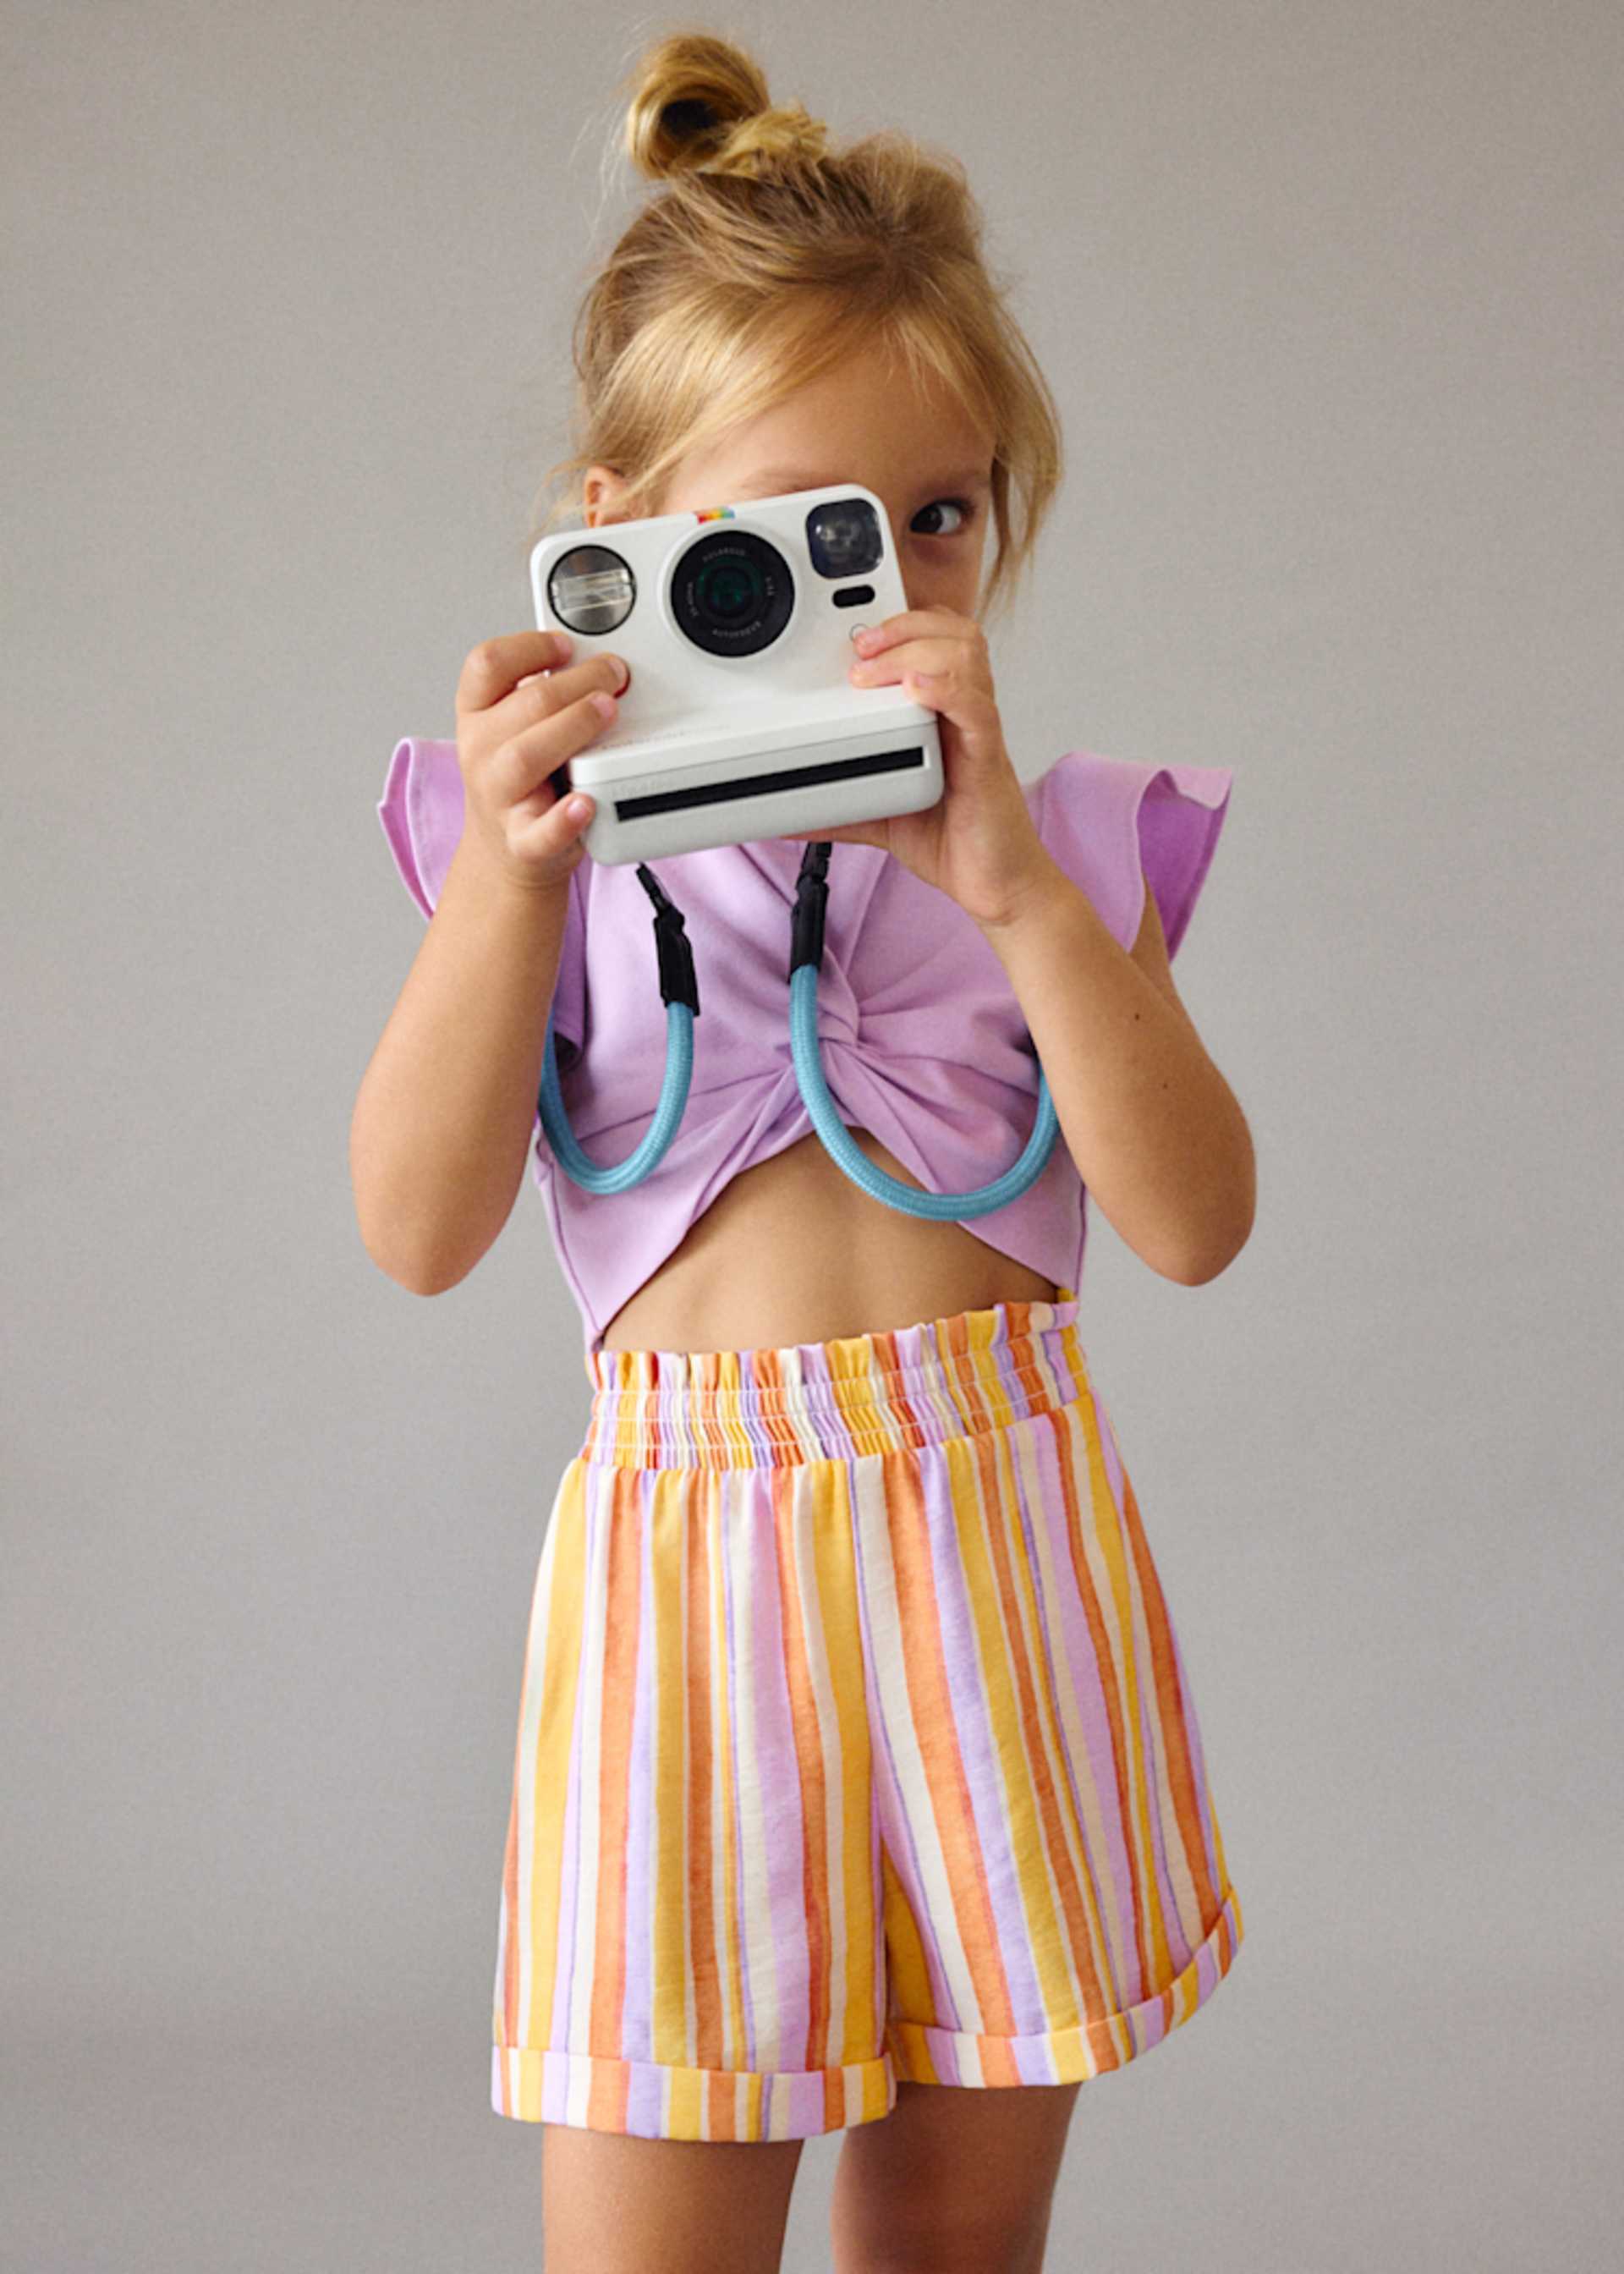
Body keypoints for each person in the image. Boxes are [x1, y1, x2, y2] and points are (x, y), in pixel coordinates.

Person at [350, 28, 1254, 2274]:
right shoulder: (530, 864)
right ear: (613, 542)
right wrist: (512, 883)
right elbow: (416, 1229)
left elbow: (1198, 1221)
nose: (876, 588)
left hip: (1000, 1552)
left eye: (929, 519)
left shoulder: (1059, 852)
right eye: (772, 537)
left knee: (957, 2247)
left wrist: (1022, 898)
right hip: (693, 1584)